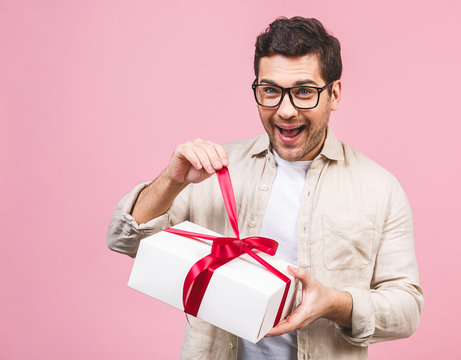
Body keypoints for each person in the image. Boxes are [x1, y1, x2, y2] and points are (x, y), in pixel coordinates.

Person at [107, 16, 423, 360]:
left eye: (304, 92)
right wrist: (171, 180)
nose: (285, 111)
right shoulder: (213, 170)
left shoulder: (379, 188)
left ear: (334, 94)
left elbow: (407, 309)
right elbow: (126, 240)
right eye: (270, 90)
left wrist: (334, 303)